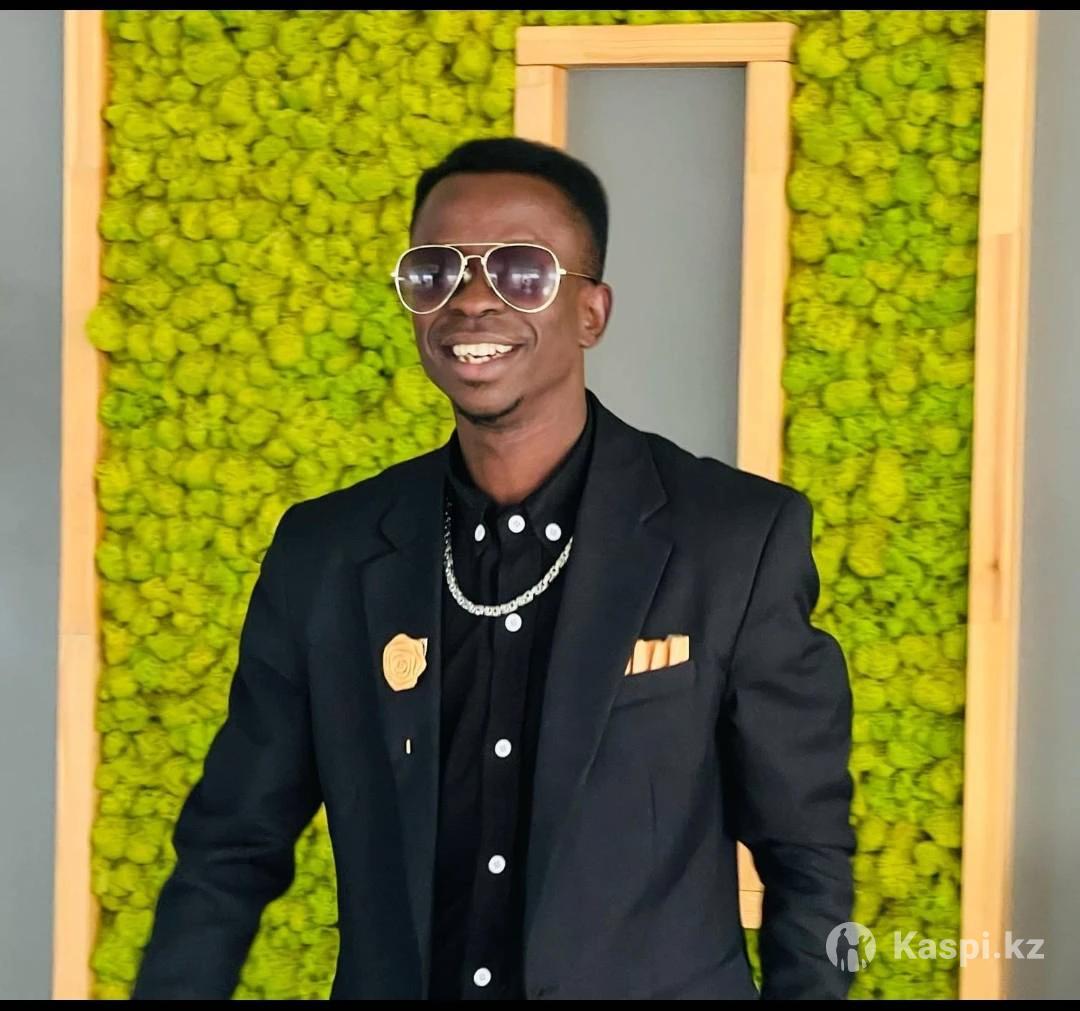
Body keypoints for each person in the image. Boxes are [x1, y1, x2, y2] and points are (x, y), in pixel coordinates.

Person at [132, 137, 855, 1000]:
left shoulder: (733, 538)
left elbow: (808, 855)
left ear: (591, 312)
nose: (471, 299)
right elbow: (228, 847)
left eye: (521, 271)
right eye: (435, 270)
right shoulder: (326, 553)